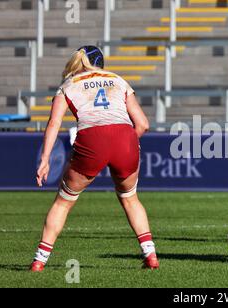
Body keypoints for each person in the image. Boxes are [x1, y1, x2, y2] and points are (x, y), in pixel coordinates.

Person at [30, 46, 159, 272]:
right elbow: (144, 124)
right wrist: (127, 141)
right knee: (130, 198)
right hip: (124, 137)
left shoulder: (68, 85)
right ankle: (151, 256)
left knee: (63, 202)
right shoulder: (118, 80)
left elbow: (53, 124)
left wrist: (45, 158)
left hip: (92, 139)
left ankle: (39, 261)